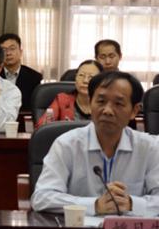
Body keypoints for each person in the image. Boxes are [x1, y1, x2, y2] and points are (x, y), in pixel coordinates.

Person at [31, 71, 159, 216]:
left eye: (119, 104)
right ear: (90, 103)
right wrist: (95, 205)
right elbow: (41, 197)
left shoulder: (149, 148)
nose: (108, 111)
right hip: (79, 228)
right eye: (101, 102)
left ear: (134, 111)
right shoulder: (67, 145)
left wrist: (132, 203)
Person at [34, 60, 103, 130]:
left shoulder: (105, 104)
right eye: (81, 75)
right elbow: (41, 128)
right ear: (76, 78)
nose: (85, 81)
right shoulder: (62, 100)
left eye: (91, 77)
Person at [0, 33, 42, 111]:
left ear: (20, 52)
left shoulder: (34, 77)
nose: (8, 53)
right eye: (4, 50)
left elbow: (33, 106)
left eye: (12, 49)